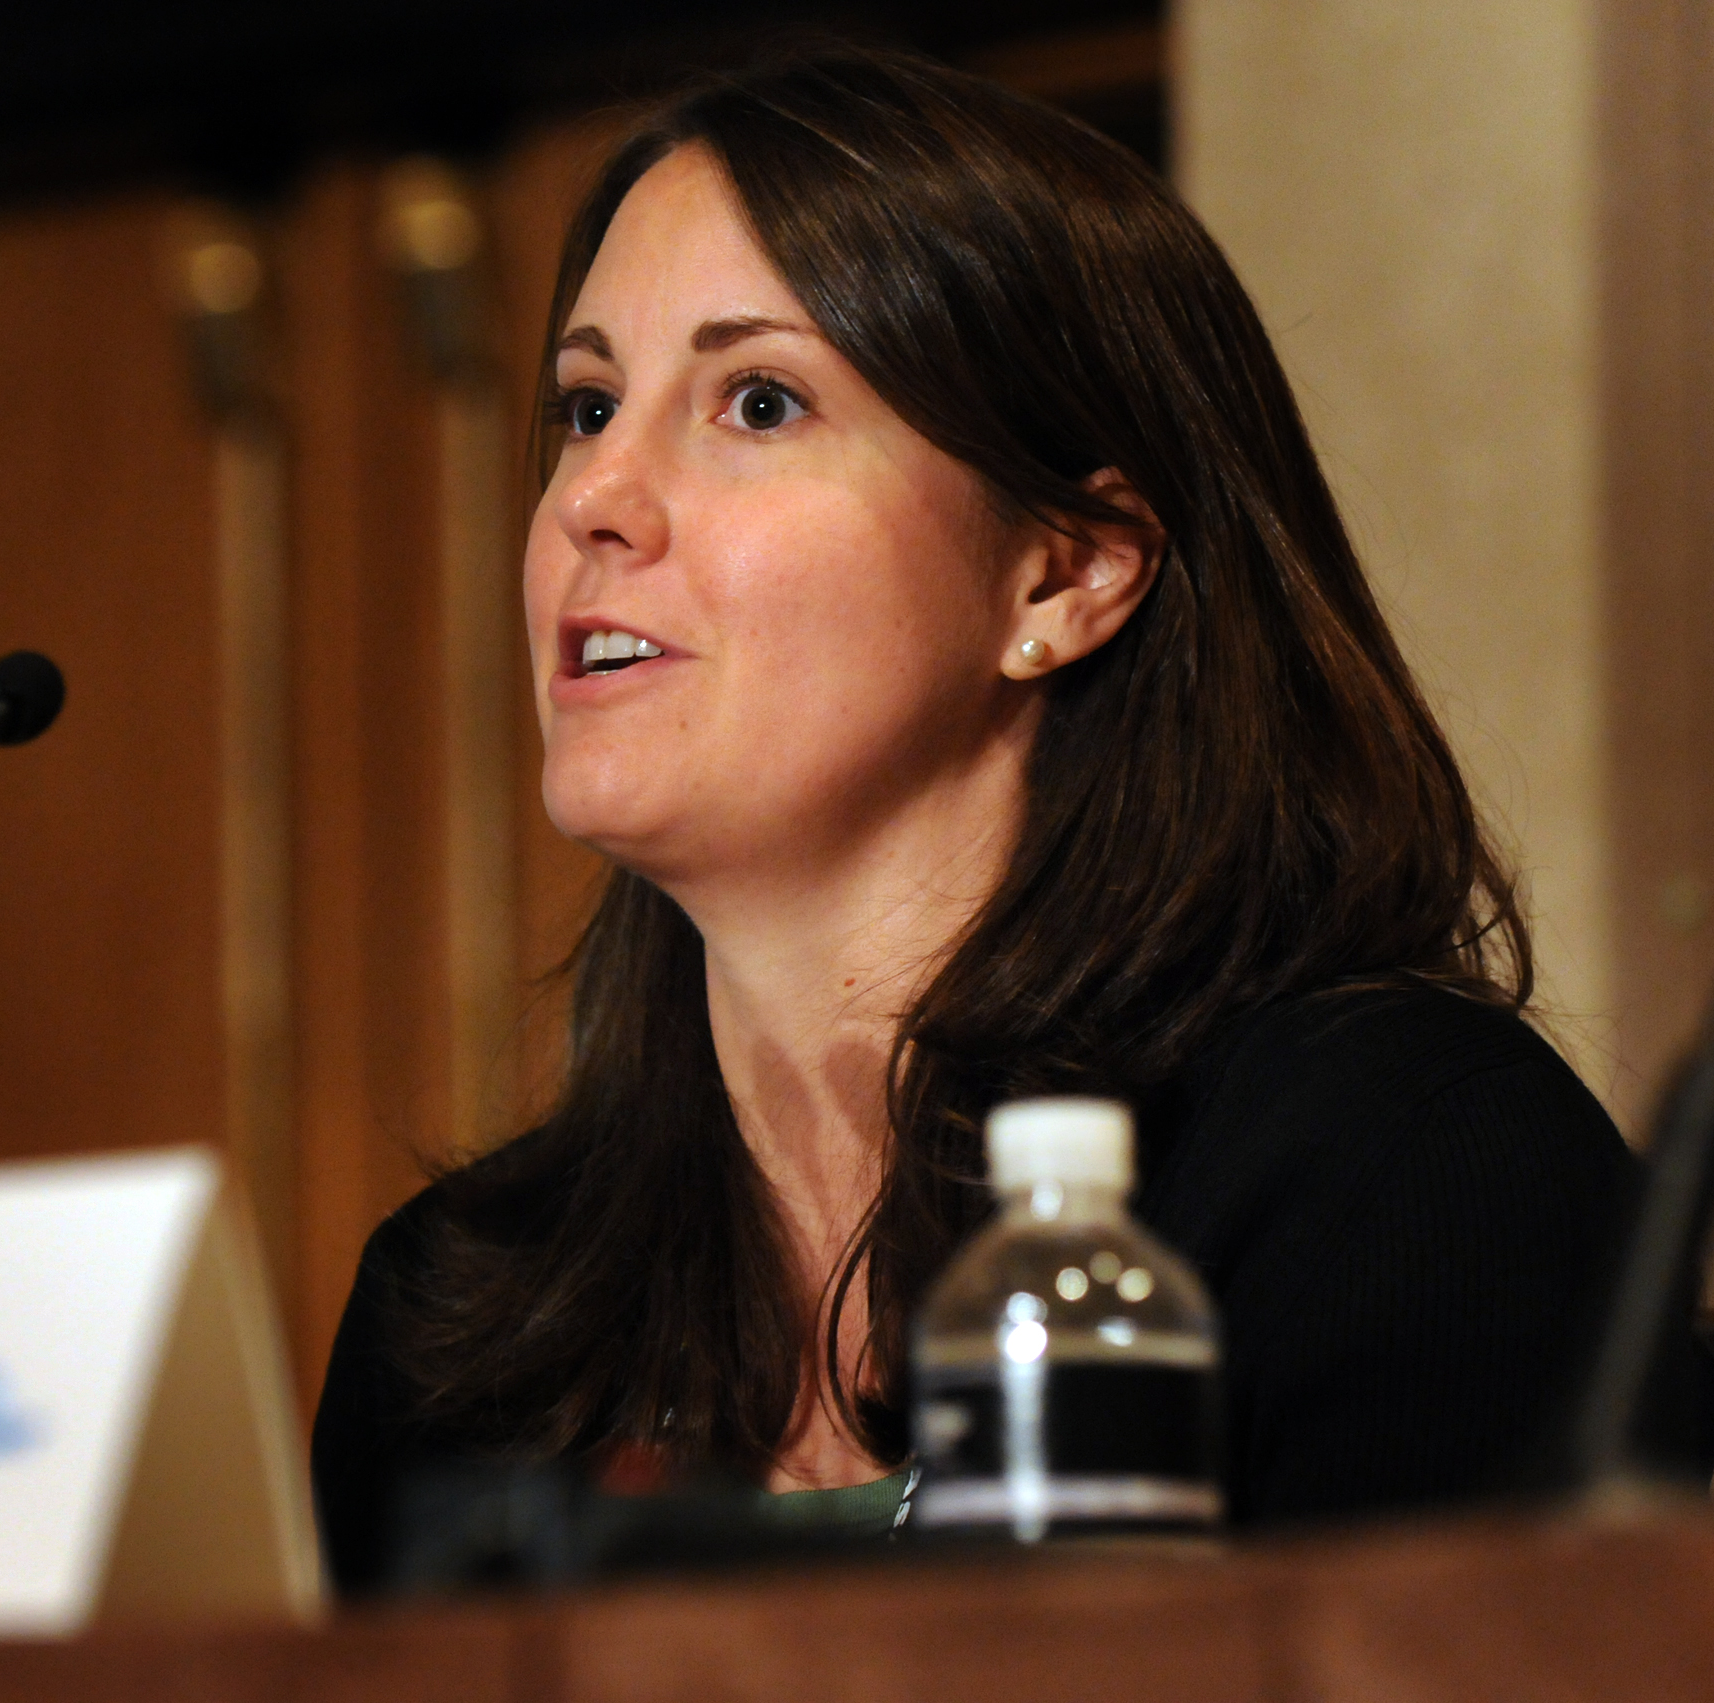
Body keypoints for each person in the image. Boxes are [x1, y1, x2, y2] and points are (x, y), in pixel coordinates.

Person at [312, 45, 1653, 1593]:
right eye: (587, 403)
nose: (594, 498)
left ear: (1066, 574)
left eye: (756, 401)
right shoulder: (456, 1312)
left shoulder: (1394, 1172)